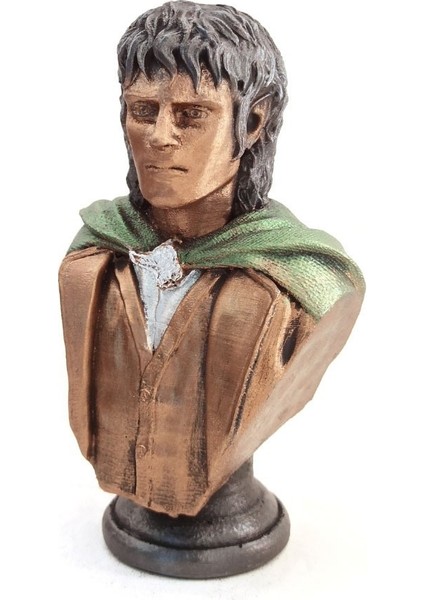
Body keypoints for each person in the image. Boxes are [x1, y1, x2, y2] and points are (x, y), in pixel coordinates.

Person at [59, 1, 365, 519]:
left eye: (191, 115)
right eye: (143, 110)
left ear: (254, 122)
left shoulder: (305, 287)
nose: (159, 137)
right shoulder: (91, 263)